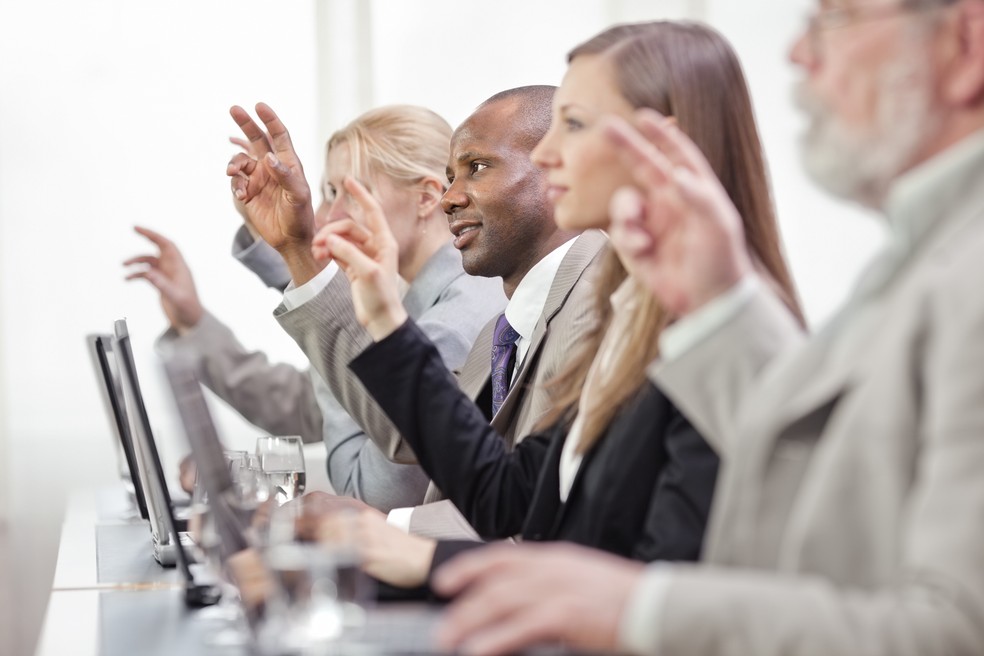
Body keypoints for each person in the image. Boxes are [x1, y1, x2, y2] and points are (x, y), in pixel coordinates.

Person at [427, 1, 984, 654]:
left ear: (965, 43)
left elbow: (956, 630)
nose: (796, 54)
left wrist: (640, 607)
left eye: (836, 18)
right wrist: (723, 312)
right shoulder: (912, 264)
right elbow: (813, 522)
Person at [316, 21, 802, 589]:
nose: (546, 155)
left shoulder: (710, 336)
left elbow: (652, 577)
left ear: (660, 146)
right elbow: (509, 498)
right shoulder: (627, 325)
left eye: (572, 124)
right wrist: (384, 318)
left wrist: (416, 560)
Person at [228, 88, 607, 539]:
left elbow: (530, 507)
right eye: (450, 177)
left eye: (477, 168)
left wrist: (379, 527)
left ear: (559, 173)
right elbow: (428, 445)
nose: (451, 197)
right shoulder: (499, 332)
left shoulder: (599, 303)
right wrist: (299, 255)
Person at [129, 105, 505, 511]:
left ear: (427, 198)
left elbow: (373, 492)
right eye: (328, 193)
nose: (325, 216)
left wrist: (312, 273)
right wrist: (195, 323)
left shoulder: (459, 318)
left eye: (348, 192)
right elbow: (302, 405)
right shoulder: (412, 299)